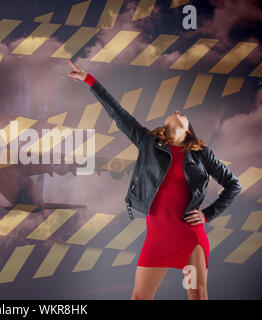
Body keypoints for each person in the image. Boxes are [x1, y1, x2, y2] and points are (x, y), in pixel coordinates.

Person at [66, 59, 242, 300]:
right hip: (157, 237)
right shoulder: (147, 142)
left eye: (183, 114)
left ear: (188, 130)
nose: (178, 112)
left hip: (189, 236)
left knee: (197, 293)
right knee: (140, 297)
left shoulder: (201, 153)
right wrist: (89, 80)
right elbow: (118, 113)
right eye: (175, 112)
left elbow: (234, 184)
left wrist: (208, 214)